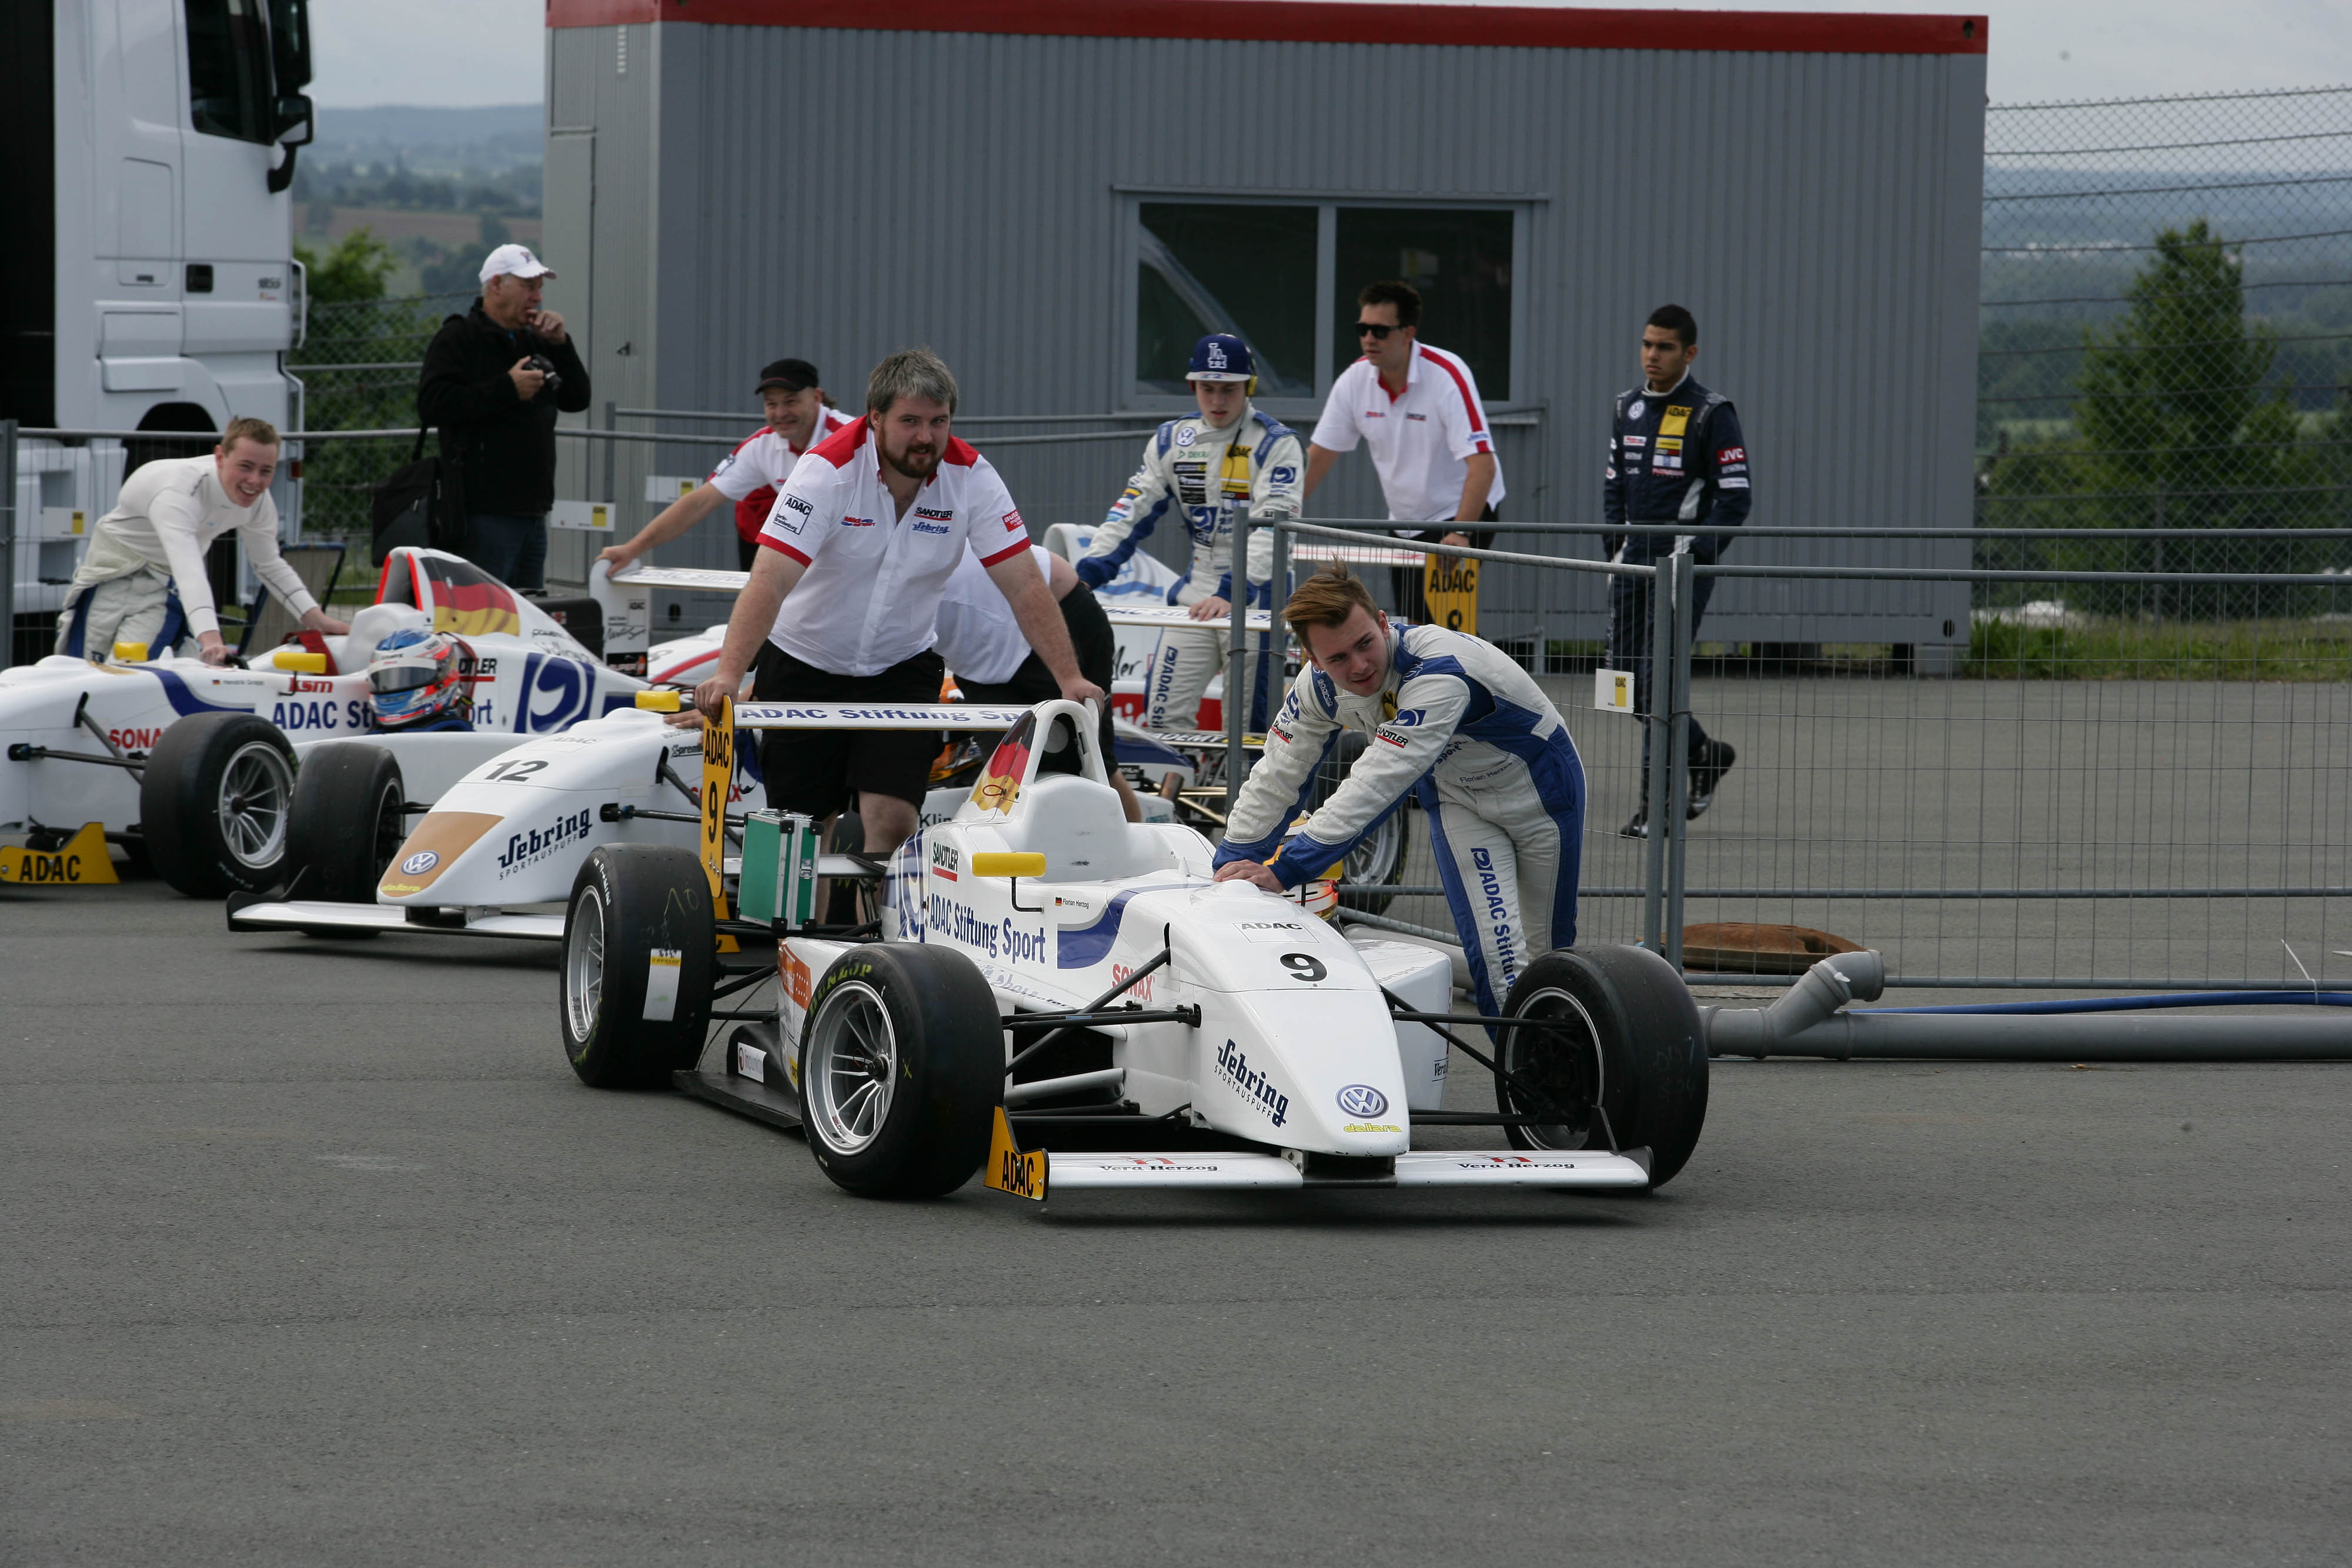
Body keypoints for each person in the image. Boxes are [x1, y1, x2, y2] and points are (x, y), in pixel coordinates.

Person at [690, 349, 1104, 860]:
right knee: (800, 830)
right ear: (876, 418)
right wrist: (729, 673)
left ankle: (879, 911)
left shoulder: (972, 475)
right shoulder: (826, 470)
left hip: (901, 665)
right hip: (804, 660)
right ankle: (805, 913)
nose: (926, 437)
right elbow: (769, 581)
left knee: (894, 817)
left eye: (939, 421)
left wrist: (1069, 678)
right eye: (910, 421)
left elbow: (1025, 585)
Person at [1212, 566, 1584, 1021]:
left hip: (1542, 797)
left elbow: (1378, 780)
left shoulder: (1439, 670)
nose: (1359, 666)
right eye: (1338, 658)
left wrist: (1283, 869)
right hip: (1458, 802)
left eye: (1365, 643)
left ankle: (1574, 1053)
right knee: (1499, 964)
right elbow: (1277, 774)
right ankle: (1523, 1063)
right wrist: (1229, 866)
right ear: (1313, 660)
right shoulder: (1316, 687)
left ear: (1384, 622)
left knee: (1549, 957)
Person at [1075, 333, 1301, 731]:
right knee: (1163, 715)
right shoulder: (1172, 440)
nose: (1217, 400)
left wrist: (1231, 592)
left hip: (1257, 597)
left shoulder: (1277, 444)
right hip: (1197, 593)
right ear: (1192, 386)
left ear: (1248, 387)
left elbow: (1273, 531)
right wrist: (1085, 575)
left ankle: (1243, 776)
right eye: (1207, 388)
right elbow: (1131, 510)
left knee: (1248, 727)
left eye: (1229, 389)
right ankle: (1181, 776)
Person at [1603, 303, 1750, 838]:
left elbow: (1736, 498)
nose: (1652, 355)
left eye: (1664, 347)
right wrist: (1614, 546)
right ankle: (1704, 752)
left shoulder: (1712, 412)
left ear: (1690, 353)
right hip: (1630, 562)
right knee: (1622, 685)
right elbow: (1614, 486)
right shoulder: (1626, 406)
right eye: (1647, 344)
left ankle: (1656, 808)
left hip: (1678, 564)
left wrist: (1695, 555)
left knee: (1658, 681)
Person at [56, 417, 349, 663]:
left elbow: (269, 564)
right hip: (111, 574)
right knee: (84, 670)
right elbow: (190, 569)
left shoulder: (258, 501)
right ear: (220, 457)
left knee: (131, 671)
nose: (254, 482)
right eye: (245, 467)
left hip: (163, 588)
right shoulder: (180, 491)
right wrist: (211, 640)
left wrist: (317, 620)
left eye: (266, 471)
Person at [1301, 281, 1503, 625]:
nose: (1369, 339)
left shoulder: (1446, 375)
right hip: (1406, 522)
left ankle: (1484, 663)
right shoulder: (1354, 380)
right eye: (1363, 329)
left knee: (1444, 628)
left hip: (1463, 512)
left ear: (1409, 333)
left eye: (1380, 331)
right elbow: (1319, 457)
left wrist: (1462, 532)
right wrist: (1276, 511)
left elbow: (1483, 464)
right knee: (1415, 624)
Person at [416, 243, 592, 592]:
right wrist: (507, 389)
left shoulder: (536, 340)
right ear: (496, 285)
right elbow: (433, 404)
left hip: (533, 512)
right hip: (482, 513)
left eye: (539, 288)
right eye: (528, 286)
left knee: (526, 612)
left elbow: (577, 400)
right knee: (484, 613)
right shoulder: (459, 337)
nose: (537, 297)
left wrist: (561, 344)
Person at [933, 543, 1144, 822]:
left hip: (1058, 613)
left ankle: (1131, 841)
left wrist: (1070, 677)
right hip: (981, 662)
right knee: (1004, 773)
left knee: (1094, 763)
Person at [597, 359, 853, 574]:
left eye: (791, 401)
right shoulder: (761, 446)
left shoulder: (852, 438)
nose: (781, 413)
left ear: (816, 397)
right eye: (771, 404)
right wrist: (633, 549)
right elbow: (700, 502)